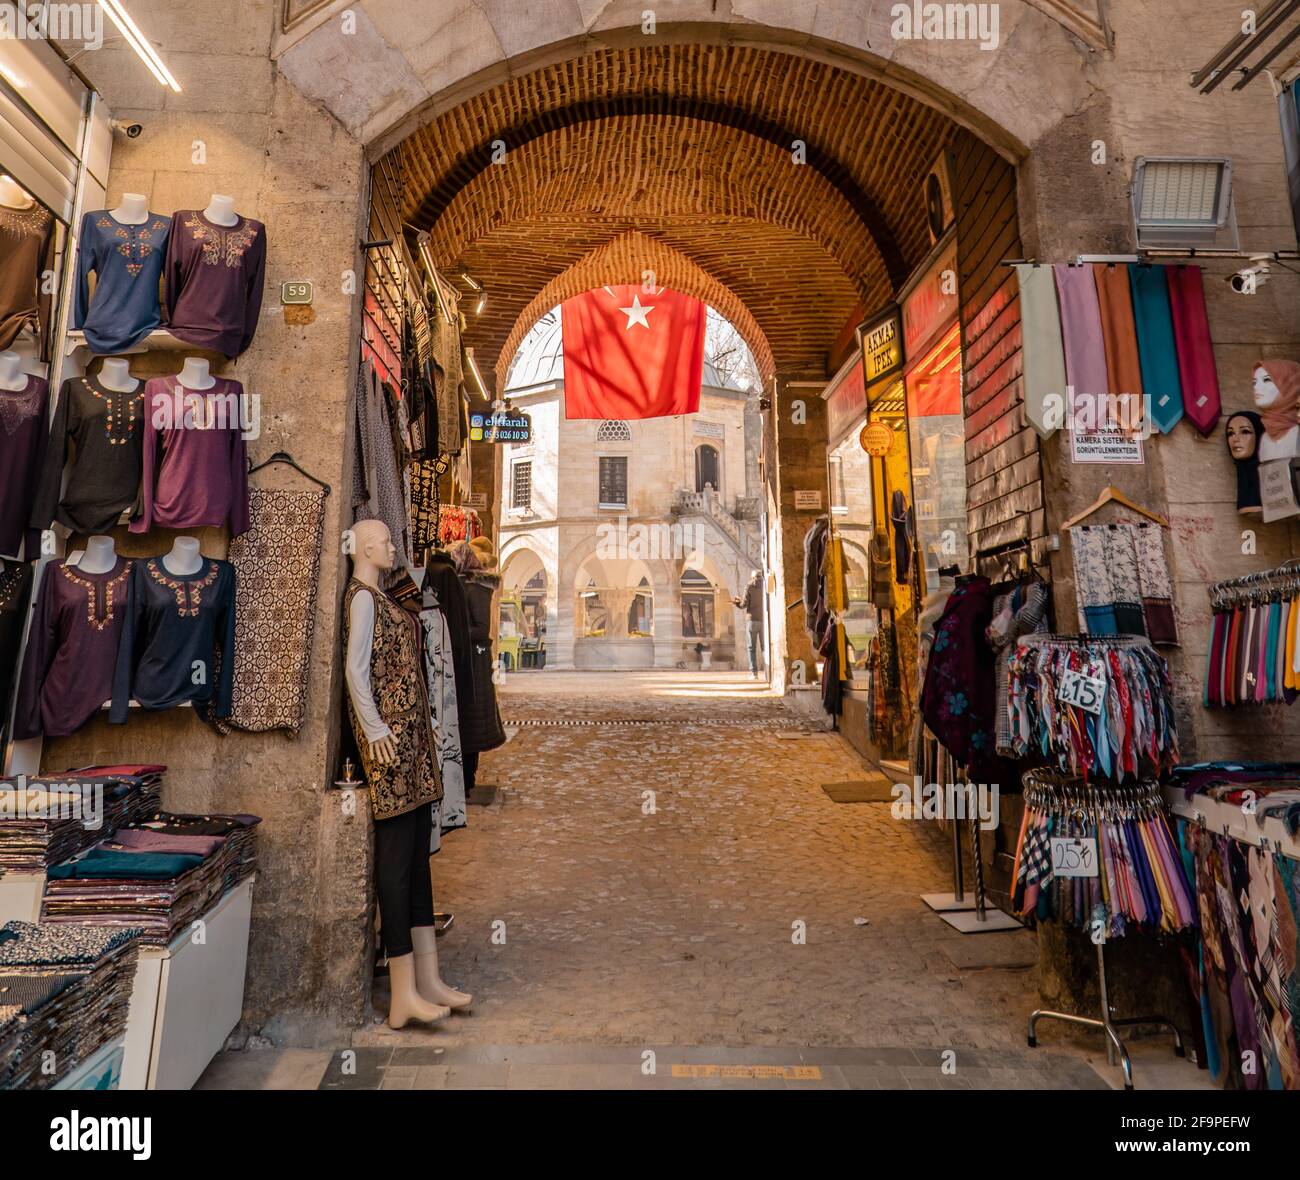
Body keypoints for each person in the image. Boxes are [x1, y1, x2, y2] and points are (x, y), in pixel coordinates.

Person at [448, 536, 506, 793]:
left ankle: (468, 777)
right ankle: (462, 776)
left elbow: (481, 630)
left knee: (472, 719)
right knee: (464, 719)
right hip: (467, 658)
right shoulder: (462, 584)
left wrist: (452, 631)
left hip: (476, 659)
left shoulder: (479, 587)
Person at [732, 568, 766, 679]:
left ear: (752, 577)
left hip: (752, 620)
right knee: (764, 646)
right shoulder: (765, 585)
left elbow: (744, 604)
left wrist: (737, 602)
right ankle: (768, 671)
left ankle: (754, 673)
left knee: (752, 647)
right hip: (763, 620)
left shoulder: (749, 586)